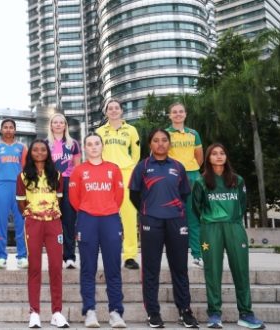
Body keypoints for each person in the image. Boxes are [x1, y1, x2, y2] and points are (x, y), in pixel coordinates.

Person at [129, 129, 198, 328]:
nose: (160, 144)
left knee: (180, 268)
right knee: (151, 269)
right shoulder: (142, 167)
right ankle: (153, 313)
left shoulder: (178, 166)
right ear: (150, 144)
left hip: (176, 221)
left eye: (164, 140)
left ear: (169, 144)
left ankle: (185, 311)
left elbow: (184, 194)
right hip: (151, 221)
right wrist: (147, 211)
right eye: (156, 140)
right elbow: (134, 194)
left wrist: (172, 209)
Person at [192, 143, 265, 329]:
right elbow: (196, 207)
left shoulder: (237, 180)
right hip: (211, 229)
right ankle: (214, 314)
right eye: (214, 154)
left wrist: (231, 220)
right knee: (213, 272)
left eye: (222, 153)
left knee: (241, 271)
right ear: (208, 158)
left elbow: (242, 203)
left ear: (226, 157)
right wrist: (210, 219)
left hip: (234, 227)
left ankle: (246, 314)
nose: (218, 156)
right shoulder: (201, 181)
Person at [68, 133, 126, 328]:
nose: (93, 147)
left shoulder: (113, 169)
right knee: (88, 268)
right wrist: (89, 210)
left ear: (102, 146)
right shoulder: (78, 171)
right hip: (87, 220)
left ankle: (115, 312)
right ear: (85, 148)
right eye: (89, 144)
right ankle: (90, 311)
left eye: (96, 143)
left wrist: (106, 209)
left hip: (110, 219)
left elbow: (119, 196)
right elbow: (74, 199)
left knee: (113, 268)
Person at [16, 139, 69, 329]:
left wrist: (49, 214)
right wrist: (32, 214)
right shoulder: (23, 176)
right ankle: (35, 313)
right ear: (30, 153)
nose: (39, 152)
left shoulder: (57, 175)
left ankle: (57, 313)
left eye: (43, 150)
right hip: (33, 224)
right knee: (35, 267)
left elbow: (60, 200)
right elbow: (21, 202)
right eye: (35, 150)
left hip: (54, 225)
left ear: (48, 153)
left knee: (56, 267)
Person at [97, 99, 141, 270]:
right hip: (106, 175)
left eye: (116, 108)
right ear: (106, 112)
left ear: (121, 111)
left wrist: (131, 169)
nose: (113, 111)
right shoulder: (100, 131)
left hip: (126, 173)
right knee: (107, 216)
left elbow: (136, 154)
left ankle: (130, 256)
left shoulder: (131, 130)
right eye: (110, 108)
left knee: (129, 216)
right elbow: (96, 151)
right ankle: (110, 252)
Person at [166, 102, 204, 268]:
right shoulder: (165, 134)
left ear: (185, 114)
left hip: (192, 177)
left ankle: (197, 254)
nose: (178, 114)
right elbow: (159, 155)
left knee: (193, 217)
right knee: (173, 217)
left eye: (181, 111)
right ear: (170, 115)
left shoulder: (193, 133)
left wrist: (192, 171)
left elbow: (199, 157)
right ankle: (175, 255)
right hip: (173, 179)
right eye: (174, 112)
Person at [0, 118, 28, 269]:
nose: (8, 130)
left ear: (15, 130)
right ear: (1, 130)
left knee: (21, 222)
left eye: (11, 127)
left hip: (18, 187)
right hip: (2, 187)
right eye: (6, 127)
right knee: (0, 222)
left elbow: (25, 167)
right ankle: (0, 256)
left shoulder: (22, 148)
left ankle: (22, 256)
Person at [46, 112, 81, 269]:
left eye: (62, 122)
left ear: (65, 125)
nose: (59, 124)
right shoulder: (45, 144)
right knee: (52, 223)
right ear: (51, 125)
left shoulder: (73, 143)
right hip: (51, 183)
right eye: (56, 122)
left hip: (69, 183)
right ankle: (54, 257)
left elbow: (78, 167)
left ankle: (69, 257)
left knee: (68, 221)